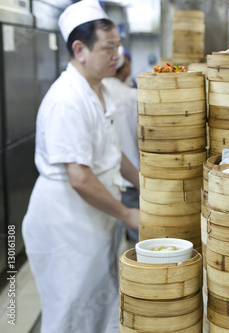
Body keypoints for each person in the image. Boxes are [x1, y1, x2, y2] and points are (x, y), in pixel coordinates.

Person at [22, 0, 139, 332]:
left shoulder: (97, 90)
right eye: (108, 48)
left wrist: (145, 184)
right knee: (70, 312)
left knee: (96, 307)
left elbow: (111, 153)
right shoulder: (67, 100)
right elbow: (80, 178)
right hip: (66, 222)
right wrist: (128, 214)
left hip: (93, 218)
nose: (117, 54)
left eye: (118, 45)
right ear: (80, 49)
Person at [102, 47, 140, 244]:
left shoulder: (96, 93)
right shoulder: (132, 96)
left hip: (106, 183)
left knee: (111, 240)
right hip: (131, 182)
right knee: (138, 242)